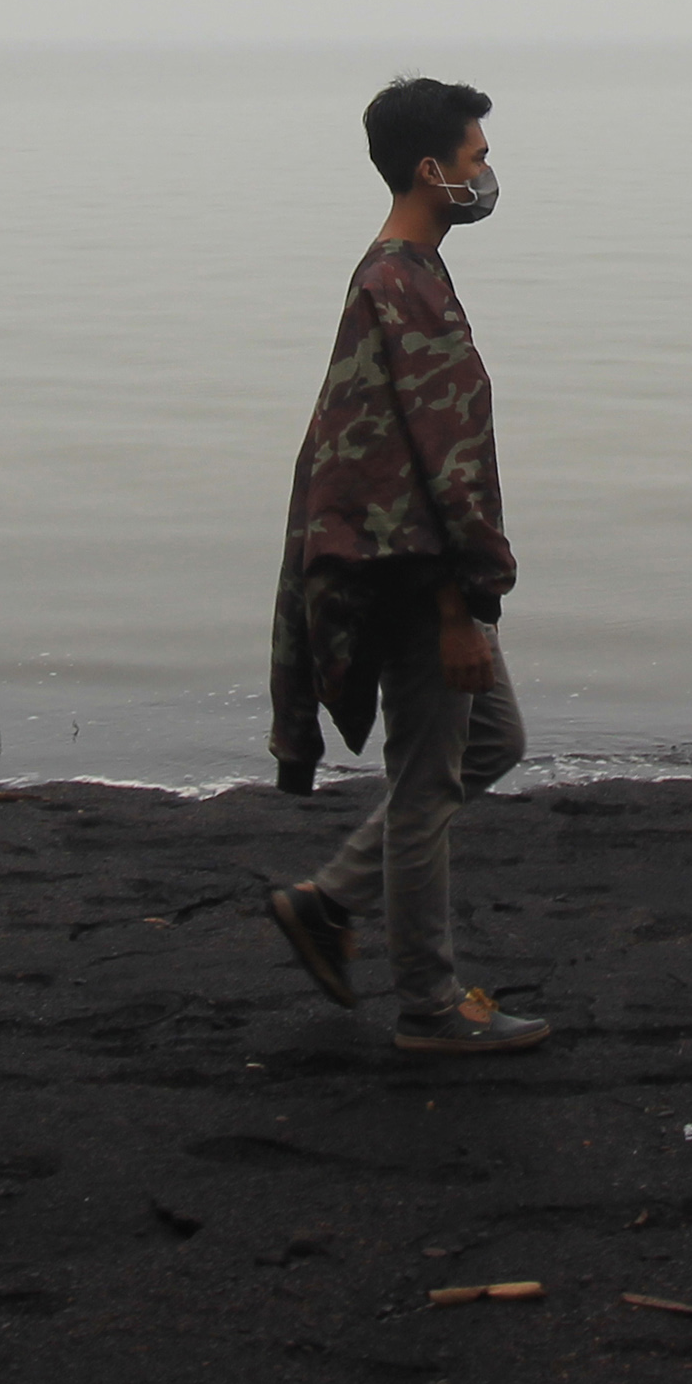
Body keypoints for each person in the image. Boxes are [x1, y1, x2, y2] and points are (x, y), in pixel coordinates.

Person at [261, 75, 549, 1055]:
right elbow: (425, 463)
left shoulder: (410, 272)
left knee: (493, 742)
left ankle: (328, 900)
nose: (487, 176)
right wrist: (458, 607)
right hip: (418, 579)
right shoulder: (398, 284)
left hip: (419, 571)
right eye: (474, 160)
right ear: (432, 170)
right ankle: (430, 1006)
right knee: (428, 784)